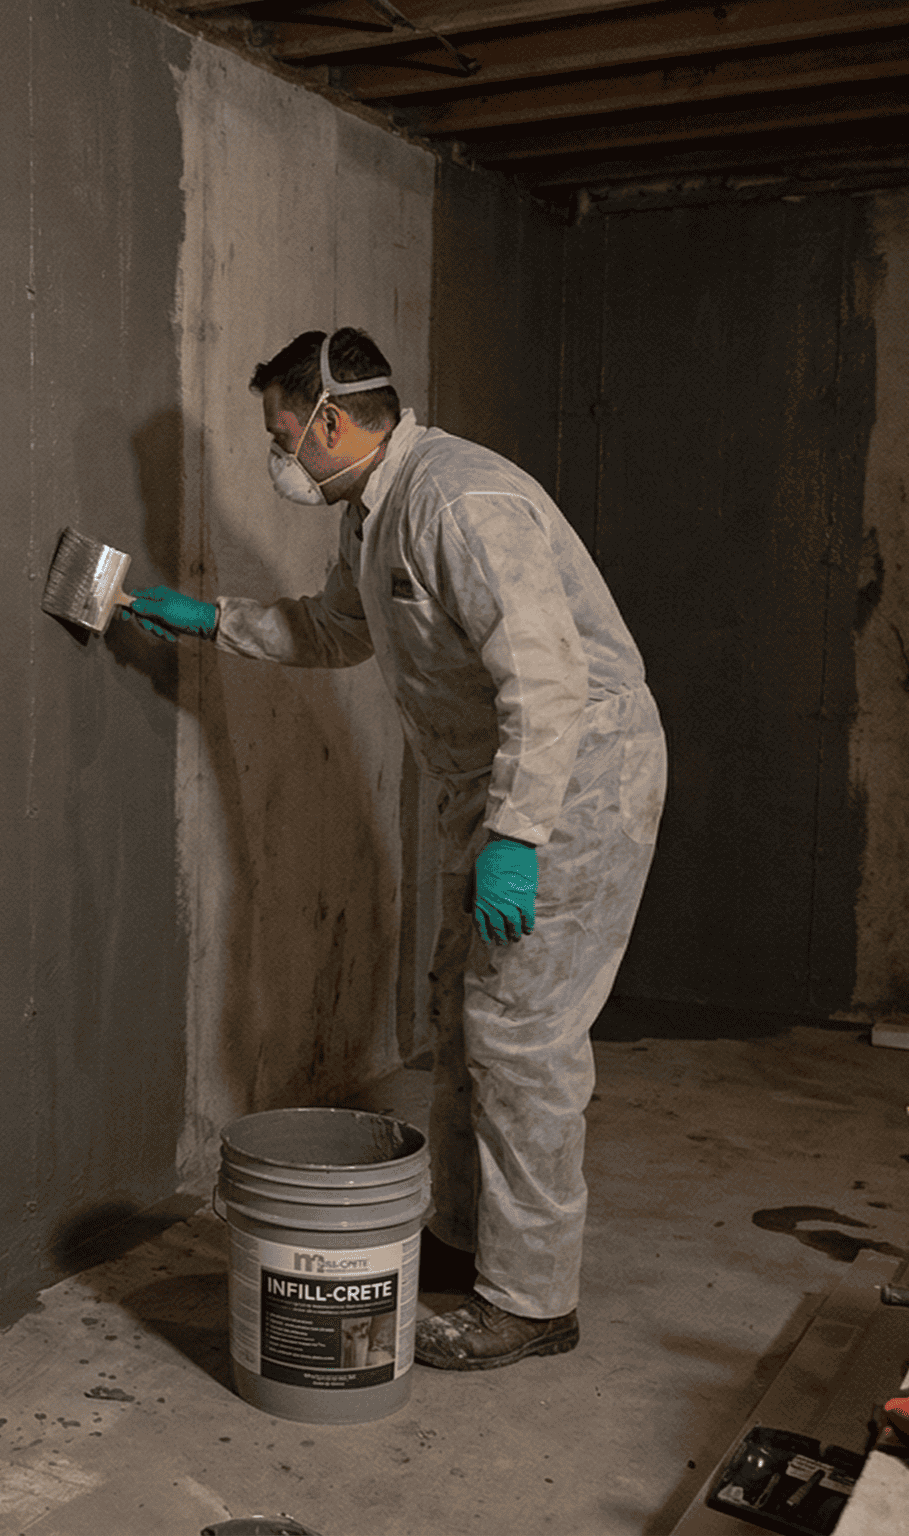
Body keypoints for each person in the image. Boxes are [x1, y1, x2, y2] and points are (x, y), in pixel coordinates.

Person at [126, 326, 666, 1371]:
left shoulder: (456, 501)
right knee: (467, 1025)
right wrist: (209, 623)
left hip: (570, 778)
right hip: (490, 782)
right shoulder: (369, 513)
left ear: (329, 419)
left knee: (522, 1037)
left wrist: (518, 837)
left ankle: (532, 1298)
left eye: (280, 435)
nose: (276, 457)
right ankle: (469, 1246)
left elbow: (546, 682)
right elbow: (335, 632)